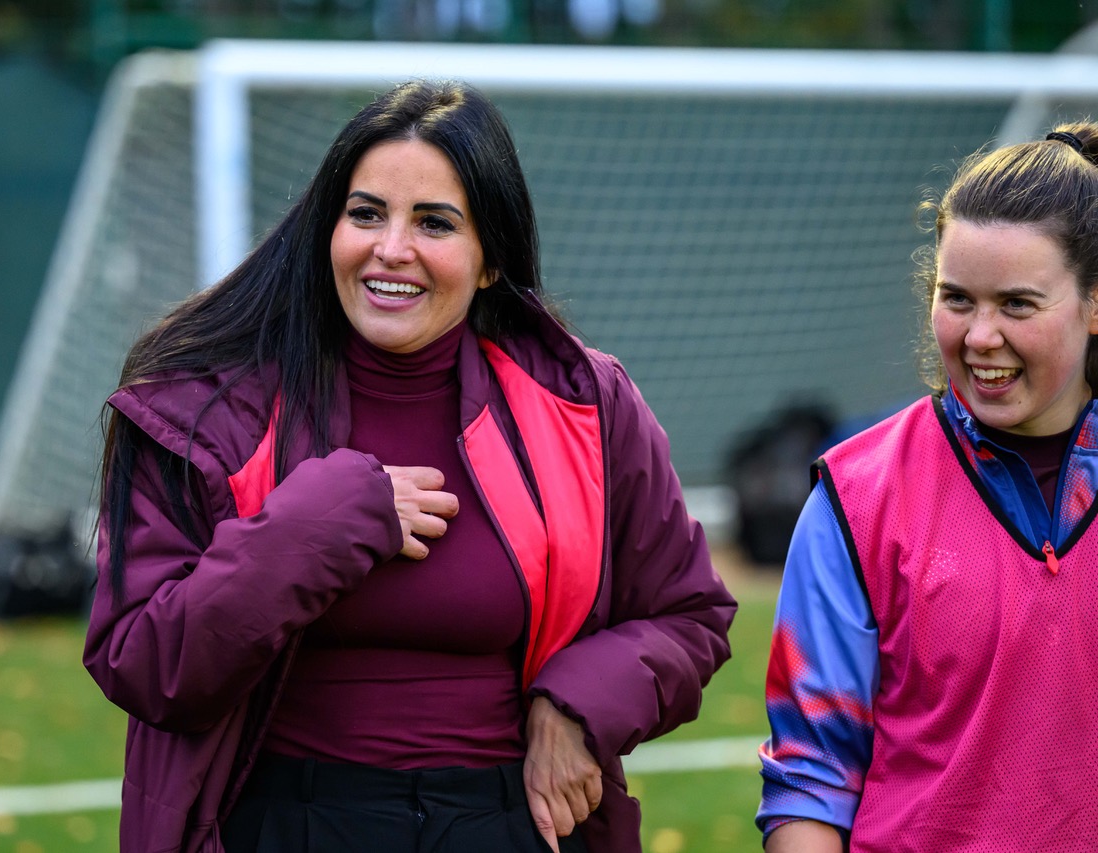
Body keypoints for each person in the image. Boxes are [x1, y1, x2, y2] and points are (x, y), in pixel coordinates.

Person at [83, 79, 735, 853]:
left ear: (490, 259)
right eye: (366, 214)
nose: (392, 249)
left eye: (434, 222)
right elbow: (143, 658)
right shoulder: (211, 412)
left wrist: (580, 700)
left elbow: (690, 616)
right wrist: (321, 520)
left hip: (506, 822)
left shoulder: (585, 403)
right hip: (280, 822)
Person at [756, 122, 1098, 852]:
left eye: (1016, 304)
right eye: (957, 298)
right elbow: (810, 775)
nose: (979, 336)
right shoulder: (856, 498)